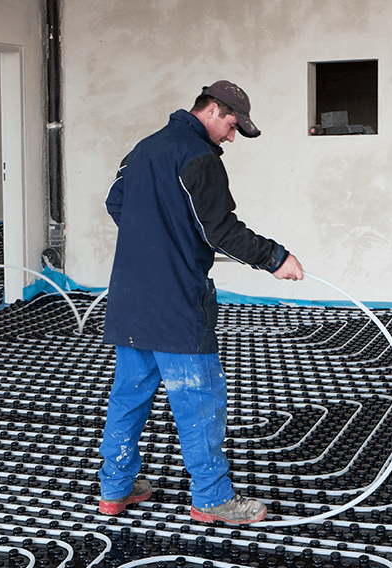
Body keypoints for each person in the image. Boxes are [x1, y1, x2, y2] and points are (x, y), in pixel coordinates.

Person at [98, 80, 303, 525]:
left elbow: (117, 202)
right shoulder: (199, 158)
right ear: (212, 110)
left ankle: (115, 488)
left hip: (130, 296)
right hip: (175, 302)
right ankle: (211, 498)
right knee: (199, 400)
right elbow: (220, 230)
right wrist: (275, 258)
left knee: (128, 396)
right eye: (232, 125)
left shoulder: (144, 149)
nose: (232, 136)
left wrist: (155, 237)